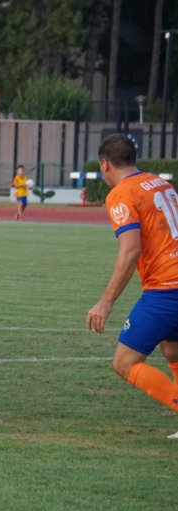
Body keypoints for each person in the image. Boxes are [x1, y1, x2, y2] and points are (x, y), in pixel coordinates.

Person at [86, 133, 178, 439]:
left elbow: (130, 249)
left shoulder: (121, 194)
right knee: (172, 350)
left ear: (105, 164)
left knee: (125, 362)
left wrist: (106, 301)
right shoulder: (160, 182)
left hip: (166, 289)